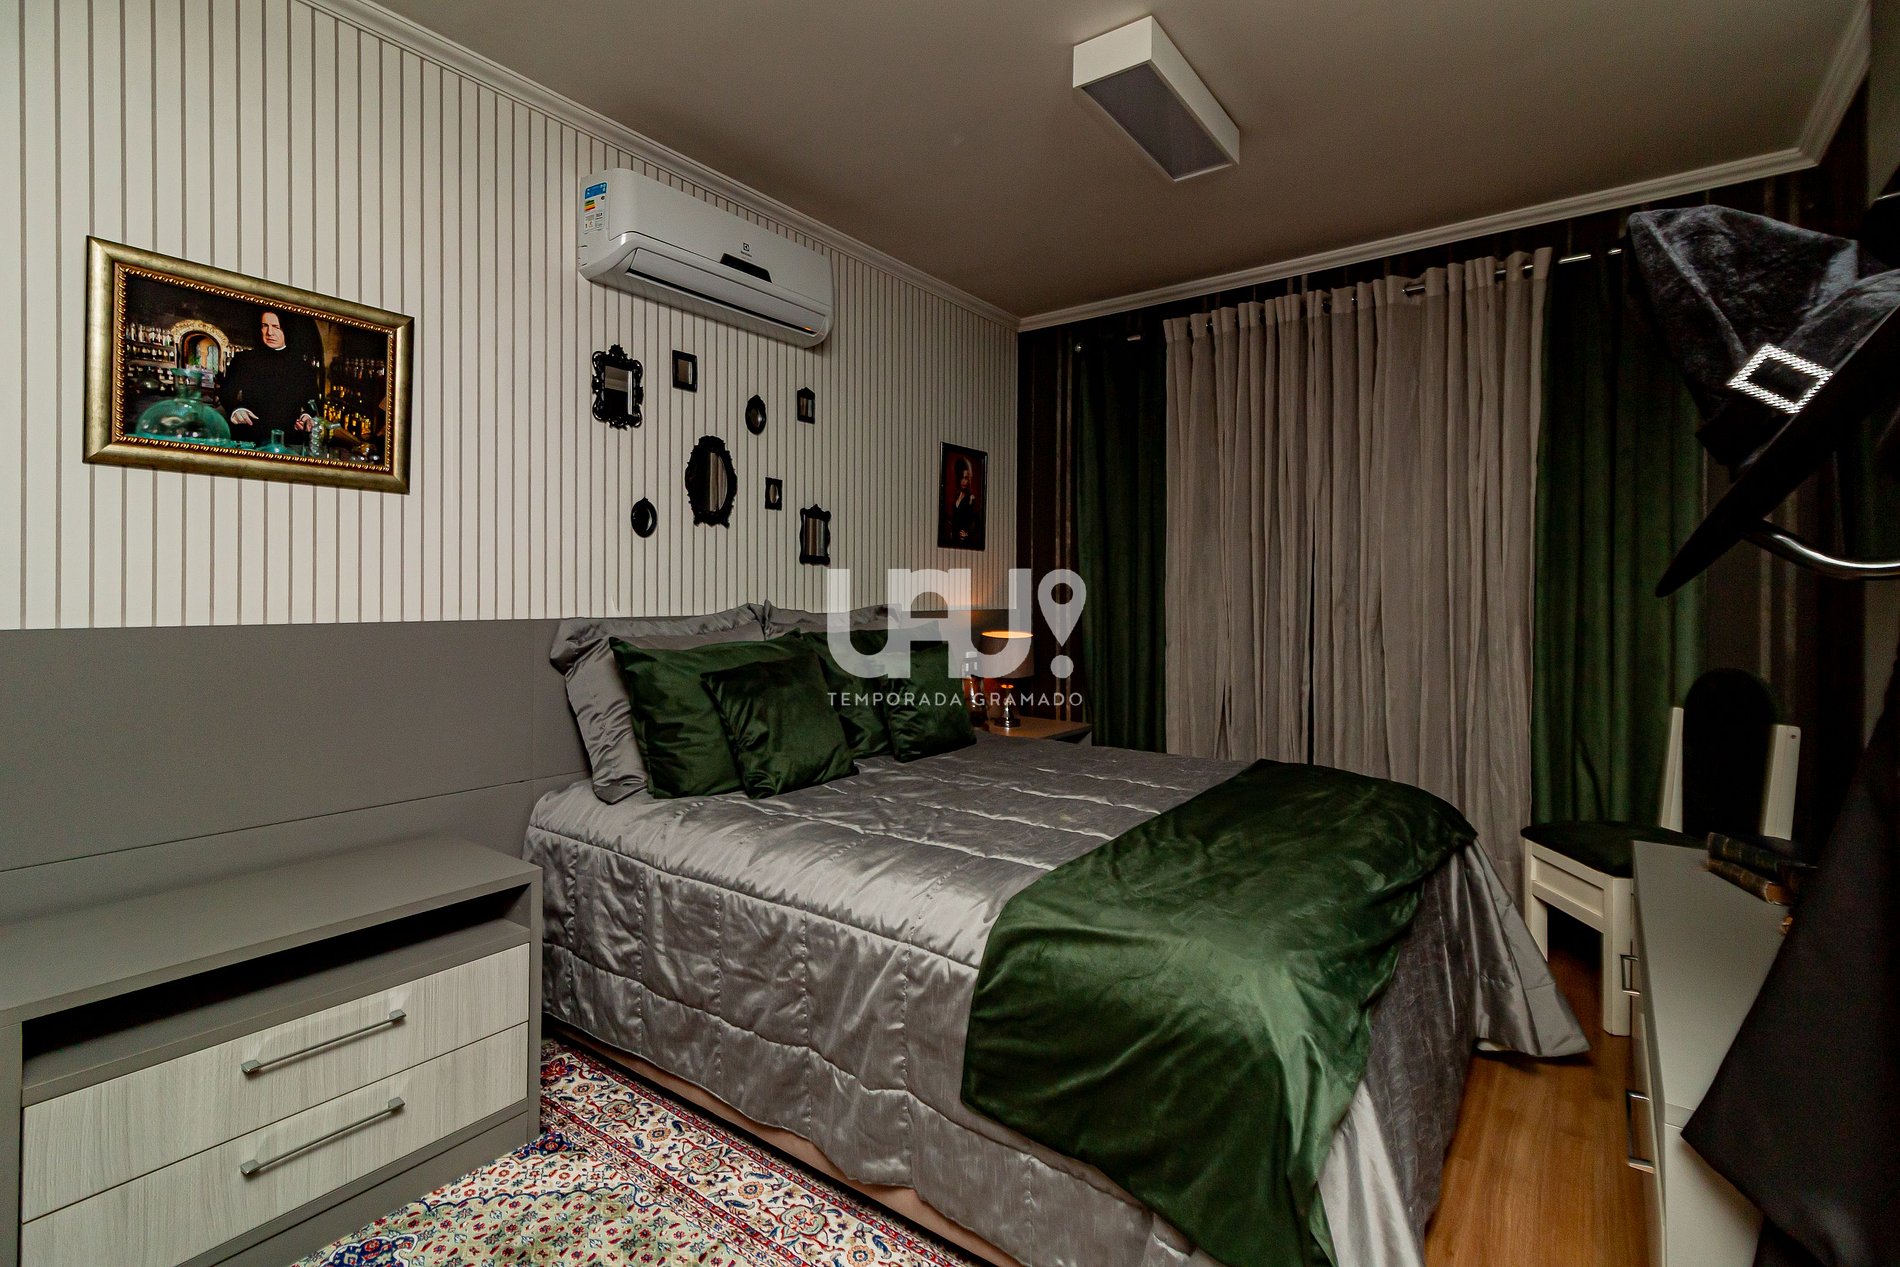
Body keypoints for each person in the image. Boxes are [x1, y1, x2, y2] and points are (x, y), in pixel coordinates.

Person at [222, 309, 321, 449]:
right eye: (265, 326)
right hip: (250, 438)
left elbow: (313, 402)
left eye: (276, 327)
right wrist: (236, 410)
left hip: (288, 441)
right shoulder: (244, 360)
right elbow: (226, 393)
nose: (270, 333)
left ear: (287, 329)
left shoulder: (303, 367)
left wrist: (307, 417)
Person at [948, 456, 981, 545]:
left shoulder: (971, 498)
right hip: (954, 539)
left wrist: (968, 534)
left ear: (969, 478)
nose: (963, 481)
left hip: (964, 541)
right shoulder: (957, 496)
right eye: (961, 478)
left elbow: (978, 523)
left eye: (966, 478)